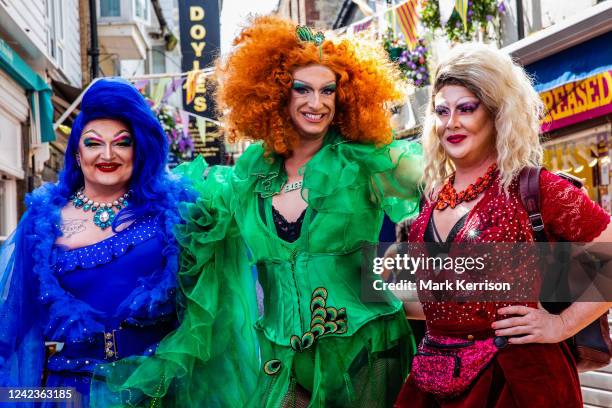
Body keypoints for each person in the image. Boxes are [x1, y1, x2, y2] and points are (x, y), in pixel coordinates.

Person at [95, 15, 424, 407]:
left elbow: (452, 189)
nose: (315, 103)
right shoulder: (250, 174)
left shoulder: (367, 162)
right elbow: (180, 208)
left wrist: (507, 283)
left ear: (344, 98)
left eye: (328, 91)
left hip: (366, 357)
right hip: (283, 360)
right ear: (277, 93)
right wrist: (117, 168)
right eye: (302, 89)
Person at [394, 43, 612, 407]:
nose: (452, 123)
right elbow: (440, 301)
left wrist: (562, 325)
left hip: (519, 383)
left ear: (497, 113)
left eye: (466, 109)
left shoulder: (532, 188)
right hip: (430, 383)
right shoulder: (430, 199)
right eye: (441, 111)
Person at [0, 78, 193, 407]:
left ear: (139, 148)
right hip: (69, 395)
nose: (107, 154)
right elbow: (16, 328)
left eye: (122, 142)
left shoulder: (175, 211)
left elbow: (205, 310)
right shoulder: (43, 220)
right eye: (93, 143)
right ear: (77, 152)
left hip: (153, 392)